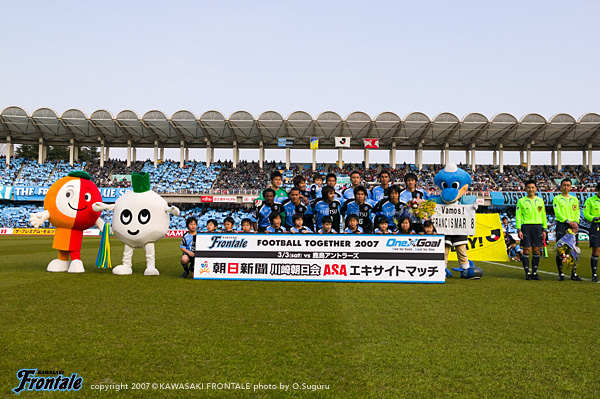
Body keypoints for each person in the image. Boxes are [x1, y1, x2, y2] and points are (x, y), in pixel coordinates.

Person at [516, 180, 547, 280]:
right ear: (525, 189)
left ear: (536, 189)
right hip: (526, 227)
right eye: (529, 187)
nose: (531, 189)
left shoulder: (540, 200)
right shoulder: (521, 201)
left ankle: (534, 272)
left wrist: (544, 229)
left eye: (532, 187)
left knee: (536, 250)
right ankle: (527, 273)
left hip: (538, 227)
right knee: (526, 249)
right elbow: (518, 216)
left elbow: (543, 215)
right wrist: (519, 229)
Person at [552, 178, 582, 281]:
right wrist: (569, 222)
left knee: (574, 249)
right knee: (561, 249)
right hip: (562, 225)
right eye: (564, 185)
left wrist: (576, 223)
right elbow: (557, 213)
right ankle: (561, 273)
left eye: (568, 185)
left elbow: (577, 212)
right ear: (561, 187)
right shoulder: (557, 199)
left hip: (573, 226)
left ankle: (574, 273)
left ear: (570, 187)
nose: (566, 187)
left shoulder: (574, 199)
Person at [583, 182, 600, 282]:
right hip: (596, 226)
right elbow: (586, 214)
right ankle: (594, 274)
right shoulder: (590, 201)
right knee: (596, 250)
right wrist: (595, 218)